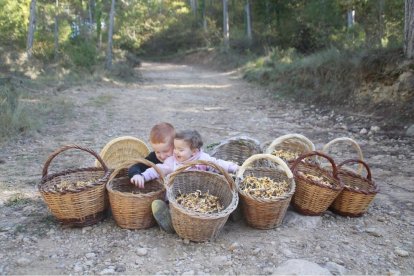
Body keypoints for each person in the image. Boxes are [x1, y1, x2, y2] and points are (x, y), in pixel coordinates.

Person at [133, 130, 239, 233]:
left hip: (200, 195)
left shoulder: (203, 159)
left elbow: (218, 164)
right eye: (175, 148)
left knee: (218, 190)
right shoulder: (172, 162)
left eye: (180, 149)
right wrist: (143, 176)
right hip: (178, 196)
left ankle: (228, 212)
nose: (175, 152)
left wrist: (234, 168)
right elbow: (158, 169)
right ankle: (170, 222)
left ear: (194, 151)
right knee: (173, 206)